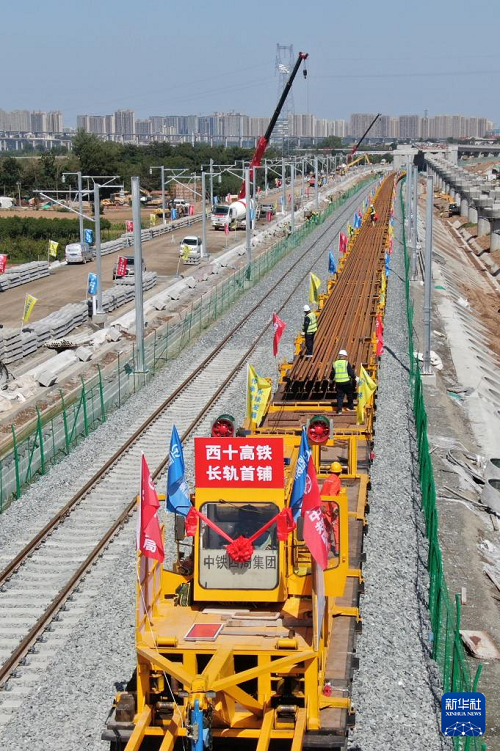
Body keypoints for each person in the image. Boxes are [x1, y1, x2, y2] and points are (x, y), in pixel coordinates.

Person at [321, 461, 342, 555]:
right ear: (340, 472)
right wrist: (335, 507)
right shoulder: (336, 480)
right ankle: (337, 549)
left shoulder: (327, 479)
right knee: (336, 527)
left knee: (325, 528)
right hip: (330, 508)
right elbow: (332, 493)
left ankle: (326, 547)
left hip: (323, 506)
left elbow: (323, 492)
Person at [331, 349, 356, 414]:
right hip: (346, 382)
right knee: (349, 395)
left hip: (338, 383)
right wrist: (355, 377)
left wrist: (331, 379)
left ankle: (339, 410)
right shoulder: (346, 363)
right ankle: (350, 407)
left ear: (339, 356)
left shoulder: (335, 363)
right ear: (345, 356)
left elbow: (333, 373)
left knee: (340, 397)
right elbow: (350, 372)